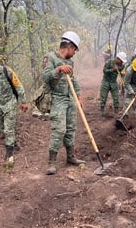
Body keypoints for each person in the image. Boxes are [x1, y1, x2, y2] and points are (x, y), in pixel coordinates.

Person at [43, 31, 86, 175]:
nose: (74, 53)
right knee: (59, 130)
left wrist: (78, 96)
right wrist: (59, 69)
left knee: (70, 129)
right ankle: (52, 162)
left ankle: (71, 157)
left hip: (70, 98)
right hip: (57, 99)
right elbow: (45, 77)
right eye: (74, 50)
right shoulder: (51, 57)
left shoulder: (70, 61)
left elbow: (73, 79)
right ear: (69, 47)